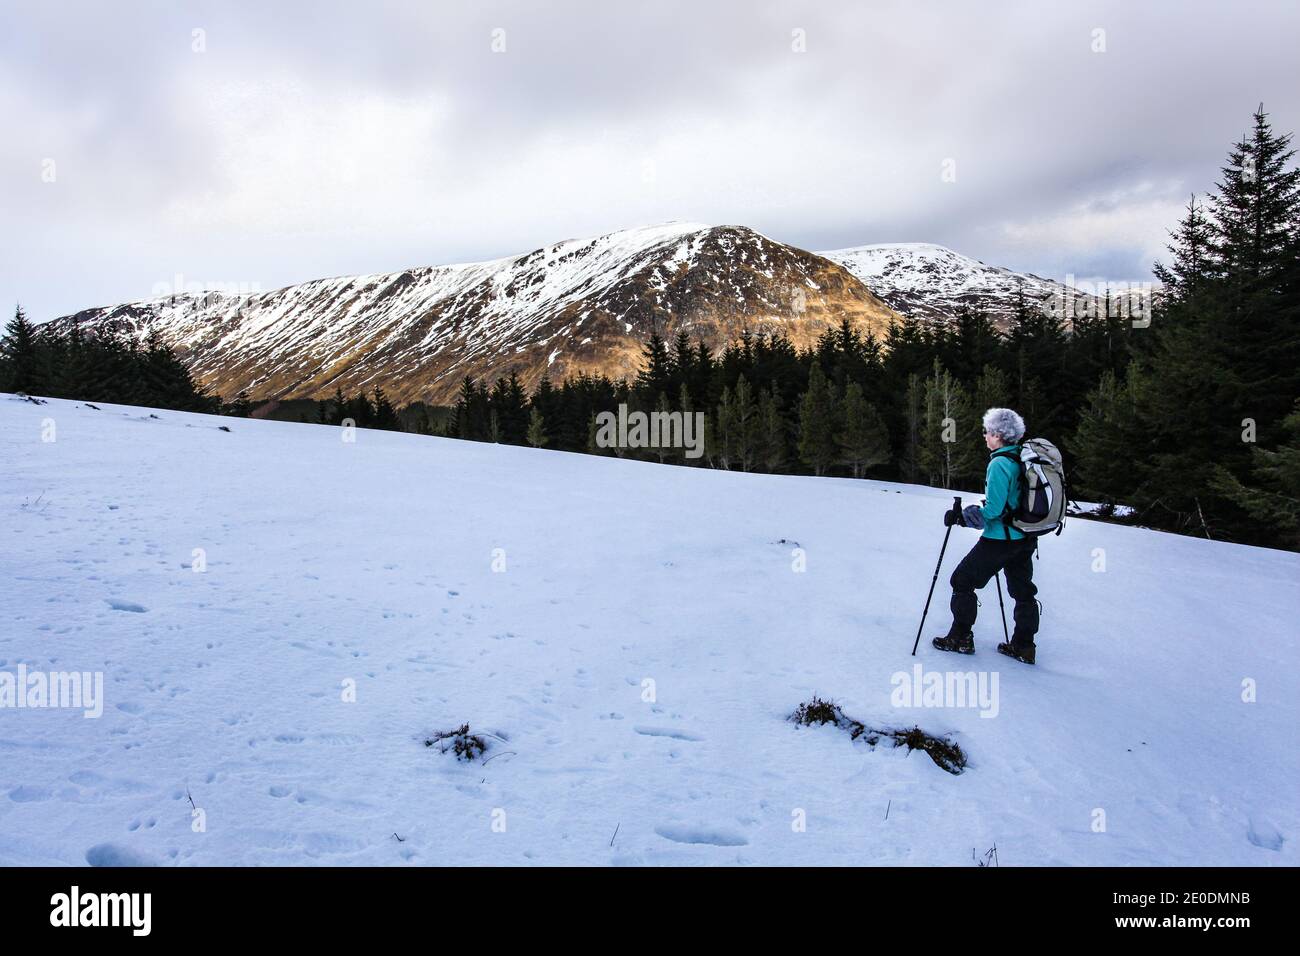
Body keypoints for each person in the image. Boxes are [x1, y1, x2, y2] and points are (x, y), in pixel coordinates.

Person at [932, 408, 1040, 664]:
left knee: (962, 580)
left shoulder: (999, 463)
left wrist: (962, 517)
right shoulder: (1021, 458)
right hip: (1025, 538)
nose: (984, 436)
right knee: (1023, 591)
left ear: (999, 434)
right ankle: (1024, 646)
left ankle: (960, 637)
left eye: (987, 431)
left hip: (999, 540)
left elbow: (994, 510)